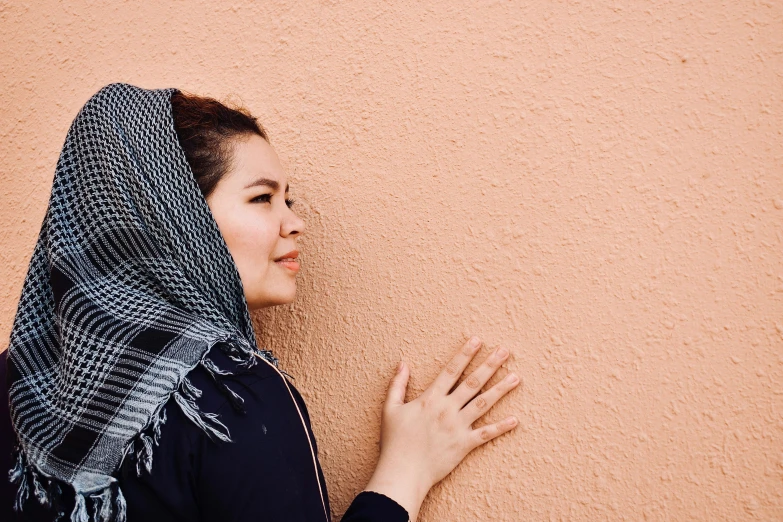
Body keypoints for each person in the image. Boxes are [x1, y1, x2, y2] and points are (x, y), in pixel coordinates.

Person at [1, 83, 520, 522]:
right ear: (174, 220)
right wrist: (404, 472)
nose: (294, 222)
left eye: (287, 199)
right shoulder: (232, 397)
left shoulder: (17, 377)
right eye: (262, 197)